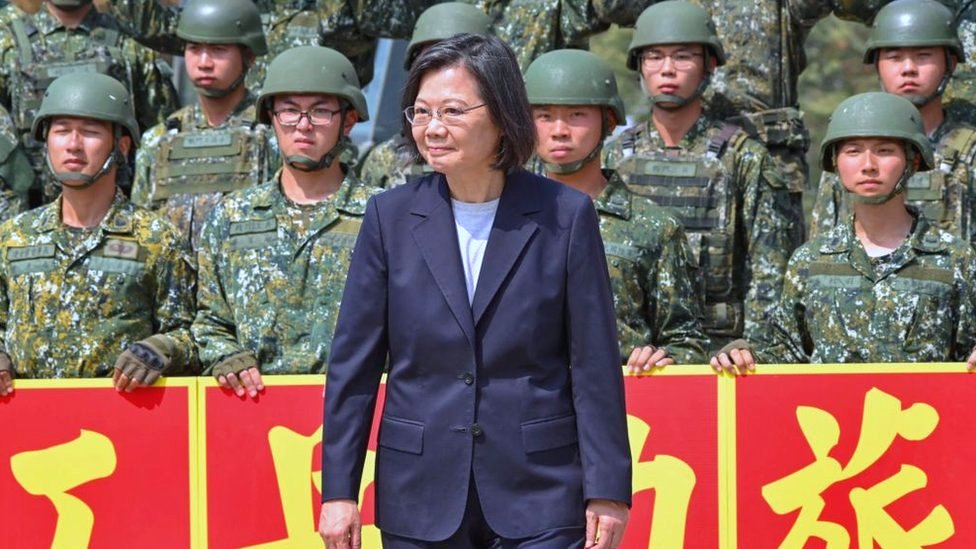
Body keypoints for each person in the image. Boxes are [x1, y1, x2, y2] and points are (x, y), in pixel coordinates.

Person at [320, 34, 631, 548]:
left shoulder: (565, 216)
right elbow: (353, 367)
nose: (433, 128)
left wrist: (608, 490)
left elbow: (593, 363)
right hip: (419, 492)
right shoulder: (389, 218)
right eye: (420, 112)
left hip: (541, 491)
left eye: (452, 110)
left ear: (502, 113)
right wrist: (338, 492)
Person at [711, 92, 976, 374]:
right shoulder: (810, 261)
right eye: (853, 151)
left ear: (912, 161)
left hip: (923, 416)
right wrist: (741, 355)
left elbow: (967, 355)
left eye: (885, 150)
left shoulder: (955, 259)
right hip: (832, 417)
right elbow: (786, 354)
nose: (868, 165)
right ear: (836, 163)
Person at [604, 0, 799, 352]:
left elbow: (770, 273)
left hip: (720, 354)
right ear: (639, 67)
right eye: (654, 57)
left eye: (682, 57)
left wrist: (750, 349)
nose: (667, 69)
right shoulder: (613, 156)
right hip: (632, 354)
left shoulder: (744, 158)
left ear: (709, 65)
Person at [192, 45, 375, 398]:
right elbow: (210, 321)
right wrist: (226, 356)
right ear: (272, 118)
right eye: (289, 112)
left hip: (354, 412)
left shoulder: (383, 215)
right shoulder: (231, 216)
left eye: (320, 112)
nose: (303, 126)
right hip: (251, 413)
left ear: (348, 121)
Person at [0, 72, 196, 397]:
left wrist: (162, 348)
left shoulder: (157, 240)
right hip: (27, 428)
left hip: (121, 428)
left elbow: (192, 334)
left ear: (121, 146)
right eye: (61, 131)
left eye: (90, 133)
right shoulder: (13, 237)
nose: (73, 145)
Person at [525, 48, 708, 369]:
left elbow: (687, 342)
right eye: (544, 116)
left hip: (624, 408)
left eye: (576, 115)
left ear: (608, 122)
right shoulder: (501, 217)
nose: (559, 130)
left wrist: (664, 360)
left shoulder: (654, 228)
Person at [811, 0, 976, 244]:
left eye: (923, 56)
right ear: (877, 64)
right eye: (895, 57)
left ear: (950, 63)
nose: (908, 69)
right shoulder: (850, 150)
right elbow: (822, 250)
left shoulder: (970, 153)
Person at [131, 0, 279, 250]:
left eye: (218, 50)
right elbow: (141, 230)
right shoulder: (159, 139)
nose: (204, 62)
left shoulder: (273, 134)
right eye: (194, 48)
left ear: (249, 56)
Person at [0, 0, 179, 204]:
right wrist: (16, 178)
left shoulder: (129, 44)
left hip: (117, 210)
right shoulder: (7, 43)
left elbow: (161, 135)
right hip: (31, 208)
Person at [358, 1, 491, 189]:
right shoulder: (387, 159)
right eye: (429, 61)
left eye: (453, 59)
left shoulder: (515, 159)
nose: (441, 72)